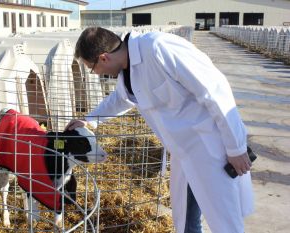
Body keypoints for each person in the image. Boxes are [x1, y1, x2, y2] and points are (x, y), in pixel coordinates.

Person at [65, 27, 254, 233]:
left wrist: (235, 148)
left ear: (103, 58)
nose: (96, 74)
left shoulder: (158, 48)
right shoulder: (127, 71)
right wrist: (90, 120)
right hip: (183, 152)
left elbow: (215, 90)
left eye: (92, 68)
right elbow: (121, 98)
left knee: (225, 221)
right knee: (186, 218)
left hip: (212, 147)